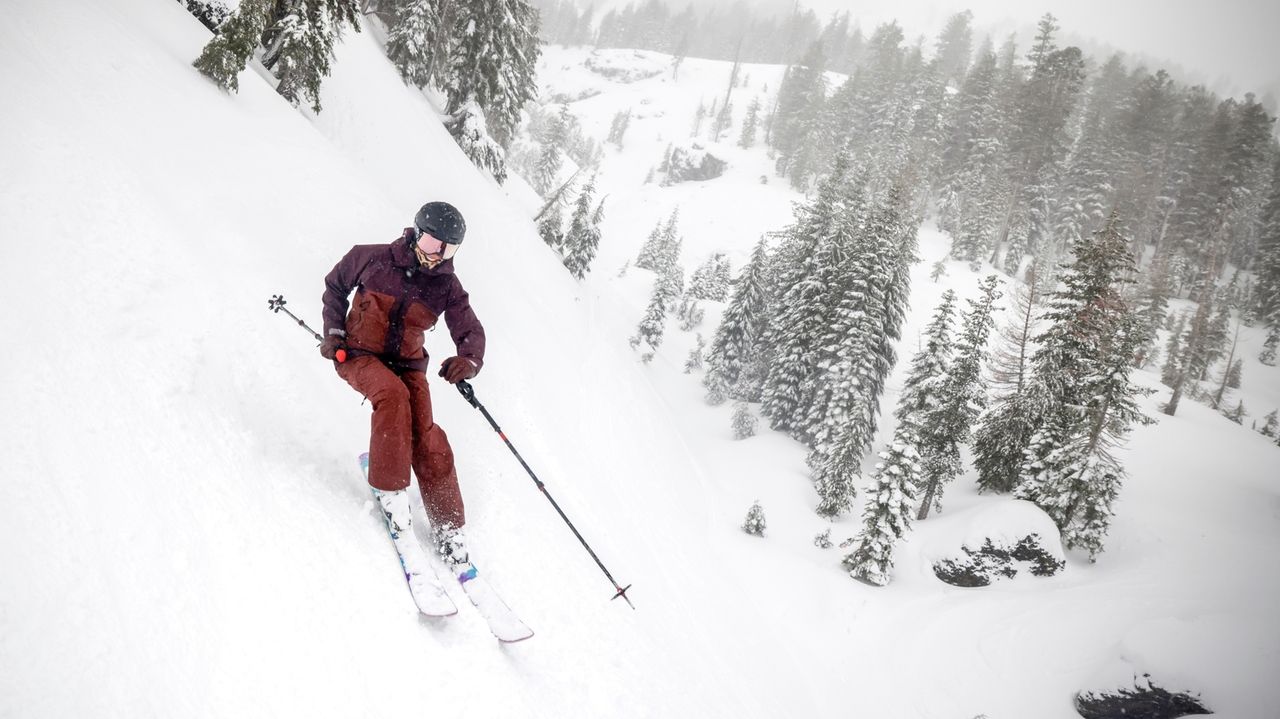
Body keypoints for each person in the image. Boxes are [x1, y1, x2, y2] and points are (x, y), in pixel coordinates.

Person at [320, 201, 483, 585]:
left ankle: (449, 526)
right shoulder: (372, 258)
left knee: (424, 430)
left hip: (408, 363)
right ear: (414, 233)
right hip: (357, 354)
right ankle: (392, 494)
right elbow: (335, 286)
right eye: (430, 241)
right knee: (392, 397)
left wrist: (469, 359)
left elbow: (469, 328)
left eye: (447, 248)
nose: (435, 254)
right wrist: (334, 332)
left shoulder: (446, 286)